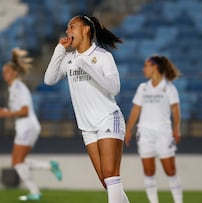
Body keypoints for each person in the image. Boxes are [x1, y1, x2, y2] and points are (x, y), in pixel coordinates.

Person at [44, 15, 129, 203]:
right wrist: (60, 49)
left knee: (110, 174)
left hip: (108, 118)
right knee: (106, 180)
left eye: (72, 27)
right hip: (87, 127)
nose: (67, 31)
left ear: (86, 30)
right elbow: (48, 80)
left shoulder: (103, 56)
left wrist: (87, 66)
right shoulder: (69, 59)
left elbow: (115, 88)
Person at [0, 48, 62, 201]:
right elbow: (19, 110)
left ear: (13, 73)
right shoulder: (13, 88)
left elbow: (24, 111)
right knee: (18, 161)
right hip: (26, 126)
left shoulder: (18, 87)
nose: (4, 75)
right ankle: (49, 167)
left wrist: (5, 113)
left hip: (27, 126)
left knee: (17, 162)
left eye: (6, 72)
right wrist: (8, 111)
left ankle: (35, 192)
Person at [124, 55, 183, 203]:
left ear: (155, 67)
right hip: (145, 133)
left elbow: (175, 109)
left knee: (170, 170)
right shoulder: (143, 88)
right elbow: (136, 109)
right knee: (148, 171)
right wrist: (128, 129)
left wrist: (176, 129)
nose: (144, 69)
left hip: (163, 133)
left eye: (146, 66)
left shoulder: (169, 87)